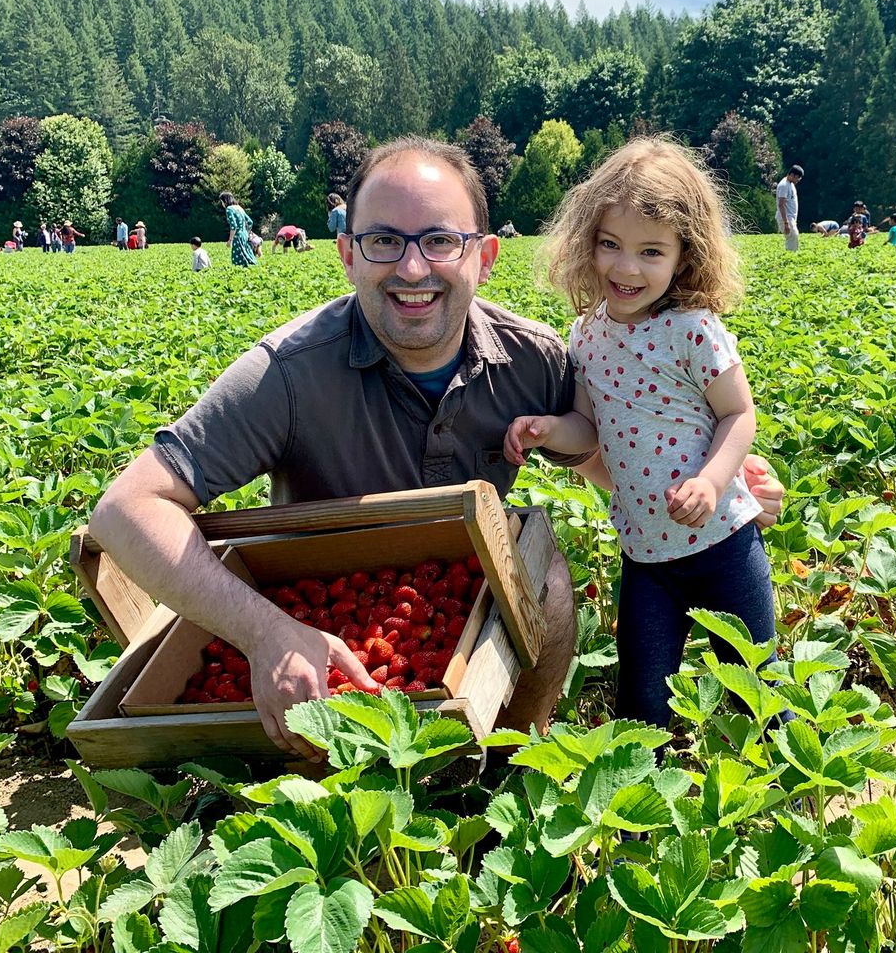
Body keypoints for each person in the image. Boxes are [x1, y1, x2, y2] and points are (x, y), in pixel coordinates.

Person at [88, 135, 784, 760]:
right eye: (385, 241)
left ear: (483, 256)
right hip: (325, 638)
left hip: (457, 609)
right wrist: (264, 632)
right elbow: (123, 509)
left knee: (546, 579)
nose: (413, 268)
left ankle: (505, 765)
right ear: (346, 252)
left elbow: (607, 455)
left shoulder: (535, 360)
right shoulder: (286, 376)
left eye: (440, 241)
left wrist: (721, 484)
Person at [502, 137, 777, 730]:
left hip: (725, 543)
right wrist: (549, 429)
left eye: (651, 251)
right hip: (646, 555)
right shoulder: (586, 334)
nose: (626, 268)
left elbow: (739, 415)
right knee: (642, 702)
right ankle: (637, 821)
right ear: (586, 243)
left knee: (758, 689)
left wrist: (710, 481)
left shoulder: (693, 329)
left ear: (685, 255)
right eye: (610, 245)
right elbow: (587, 430)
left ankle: (786, 802)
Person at [220, 192, 256, 267]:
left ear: (225, 201)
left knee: (239, 259)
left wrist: (230, 240)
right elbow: (250, 222)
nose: (222, 204)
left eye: (222, 202)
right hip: (244, 235)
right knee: (247, 254)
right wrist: (247, 233)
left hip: (238, 236)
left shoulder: (229, 209)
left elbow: (233, 226)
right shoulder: (239, 208)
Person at [775, 164, 803, 252]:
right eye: (798, 178)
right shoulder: (783, 185)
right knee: (792, 236)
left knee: (794, 236)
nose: (798, 180)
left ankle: (792, 255)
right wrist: (786, 223)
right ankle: (790, 258)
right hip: (786, 218)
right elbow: (781, 205)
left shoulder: (790, 184)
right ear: (792, 175)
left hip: (791, 218)